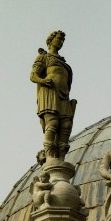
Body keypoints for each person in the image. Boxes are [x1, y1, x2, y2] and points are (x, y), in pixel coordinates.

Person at [30, 31, 76, 160]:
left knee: (66, 125)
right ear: (50, 41)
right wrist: (43, 81)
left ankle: (61, 157)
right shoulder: (43, 58)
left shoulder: (64, 63)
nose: (60, 42)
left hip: (64, 95)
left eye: (62, 40)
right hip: (49, 93)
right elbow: (33, 76)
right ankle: (50, 156)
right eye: (58, 39)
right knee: (53, 123)